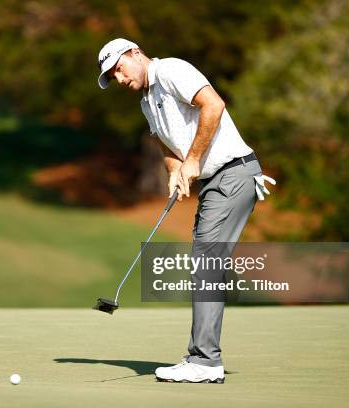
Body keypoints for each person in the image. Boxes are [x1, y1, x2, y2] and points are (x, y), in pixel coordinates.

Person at [96, 38, 275, 383]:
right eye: (112, 76)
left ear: (135, 53)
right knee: (204, 262)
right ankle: (201, 358)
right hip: (217, 182)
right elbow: (166, 144)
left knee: (206, 262)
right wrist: (175, 172)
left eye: (119, 69)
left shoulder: (171, 70)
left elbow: (214, 105)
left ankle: (205, 362)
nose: (119, 79)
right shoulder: (147, 101)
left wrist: (192, 160)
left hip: (234, 173)